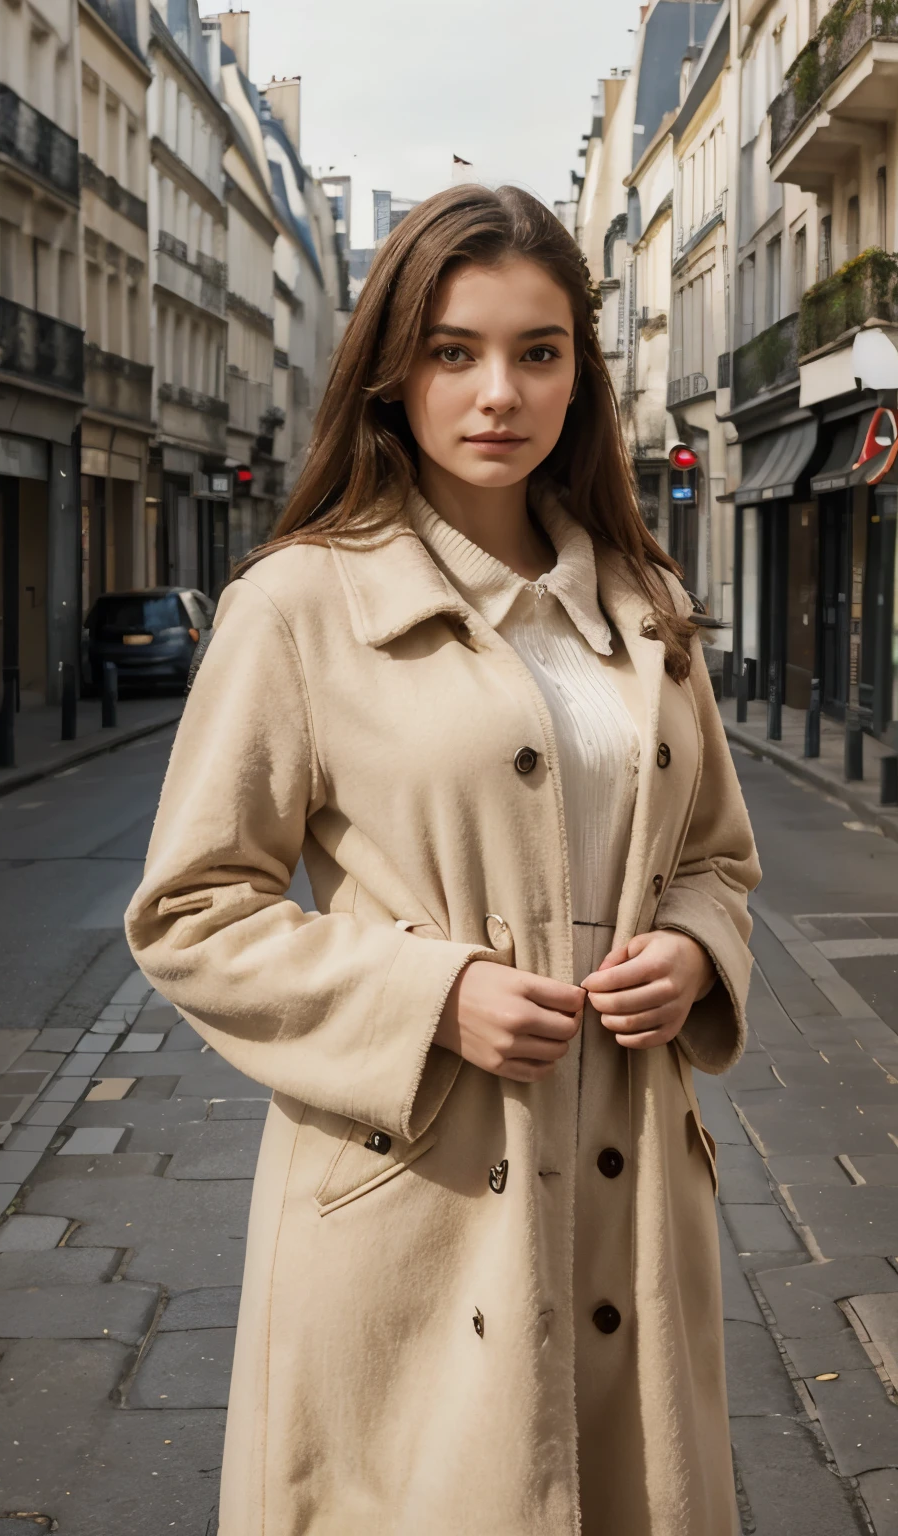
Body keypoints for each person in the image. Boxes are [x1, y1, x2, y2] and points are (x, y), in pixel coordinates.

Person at [126, 184, 761, 1535]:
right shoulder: (299, 604)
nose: (499, 393)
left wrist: (698, 950)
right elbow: (192, 910)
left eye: (540, 352)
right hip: (418, 1196)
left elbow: (716, 856)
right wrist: (432, 996)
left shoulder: (646, 609)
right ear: (391, 373)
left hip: (632, 1187)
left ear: (582, 375)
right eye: (454, 350)